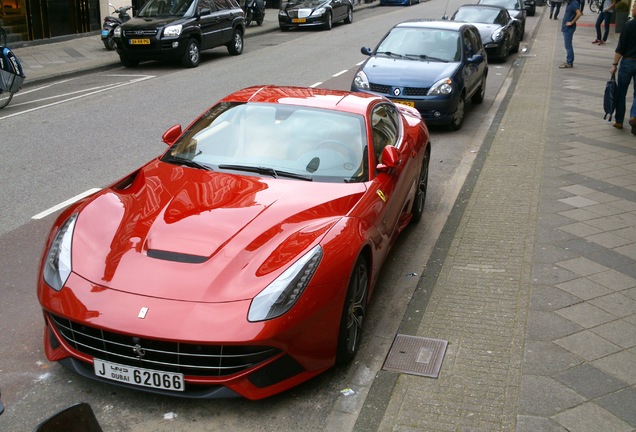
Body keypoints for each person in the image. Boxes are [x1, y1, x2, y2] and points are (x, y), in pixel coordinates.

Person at [610, 0, 636, 134]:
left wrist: (614, 64)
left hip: (627, 62)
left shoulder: (628, 26)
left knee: (621, 92)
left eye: (634, 7)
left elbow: (620, 48)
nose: (632, 10)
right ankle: (634, 116)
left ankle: (619, 121)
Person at [559, 0, 582, 68]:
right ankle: (569, 60)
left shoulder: (574, 3)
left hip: (569, 28)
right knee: (567, 45)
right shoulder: (570, 3)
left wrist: (572, 22)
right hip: (566, 27)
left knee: (568, 45)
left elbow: (579, 13)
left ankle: (569, 62)